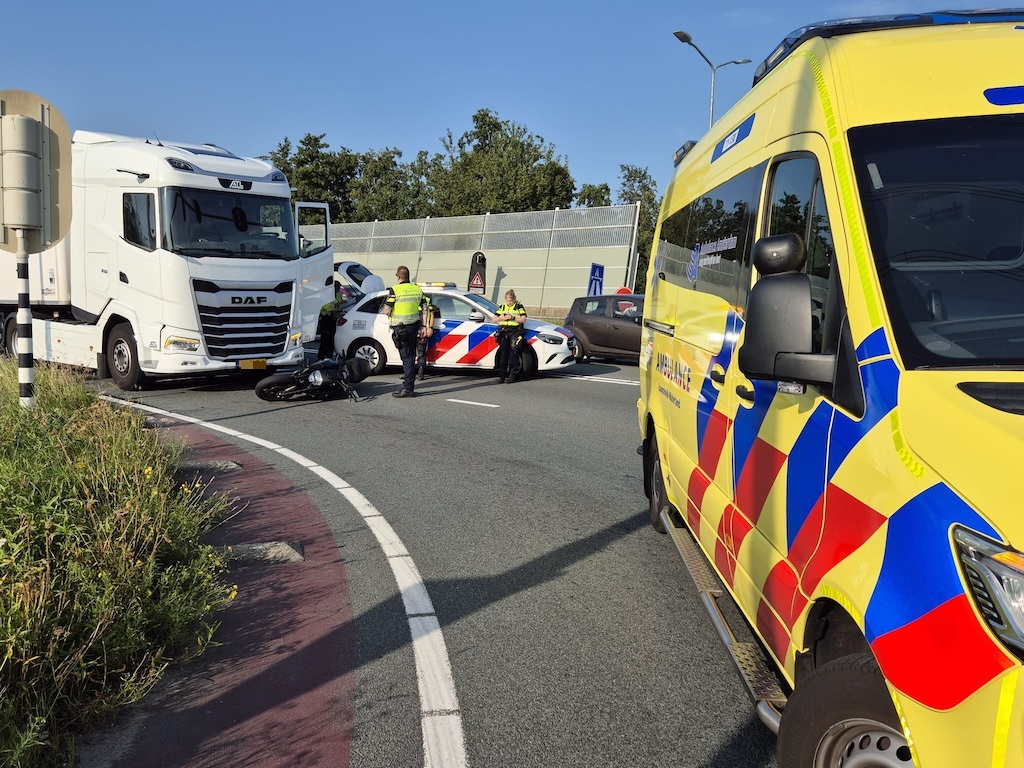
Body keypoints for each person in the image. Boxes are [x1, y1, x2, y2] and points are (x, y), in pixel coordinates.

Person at [384, 266, 431, 398]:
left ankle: (408, 388)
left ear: (398, 276)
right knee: (410, 355)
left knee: (407, 357)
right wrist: (423, 326)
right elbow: (425, 308)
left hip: (401, 328)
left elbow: (387, 310)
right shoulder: (417, 289)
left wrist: (389, 314)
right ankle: (408, 384)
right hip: (414, 326)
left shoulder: (394, 290)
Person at [494, 289, 527, 383]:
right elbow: (494, 318)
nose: (509, 302)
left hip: (515, 332)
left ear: (514, 299)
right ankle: (502, 376)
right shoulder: (502, 306)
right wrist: (502, 317)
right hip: (504, 331)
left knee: (513, 353)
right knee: (503, 354)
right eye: (507, 300)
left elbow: (523, 319)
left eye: (511, 300)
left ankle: (512, 375)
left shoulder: (518, 306)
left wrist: (513, 318)